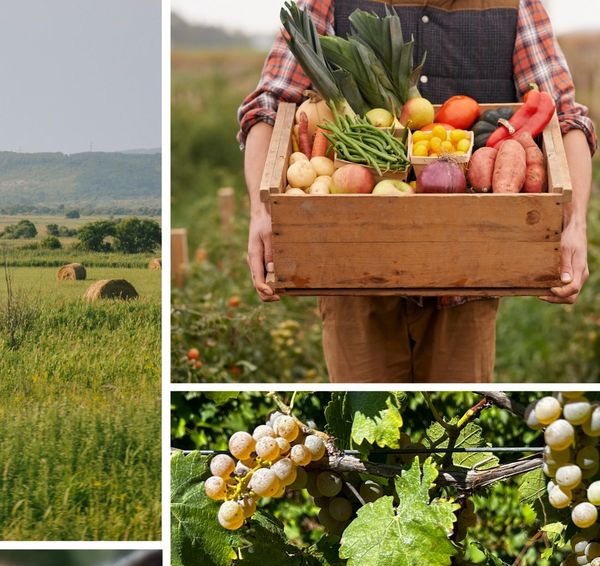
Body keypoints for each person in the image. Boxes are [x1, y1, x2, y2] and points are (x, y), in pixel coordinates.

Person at [239, 0, 595, 382]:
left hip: (468, 275)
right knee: (363, 414)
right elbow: (270, 106)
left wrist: (574, 225)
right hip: (354, 274)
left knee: (457, 415)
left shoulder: (516, 3)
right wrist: (261, 213)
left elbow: (564, 118)